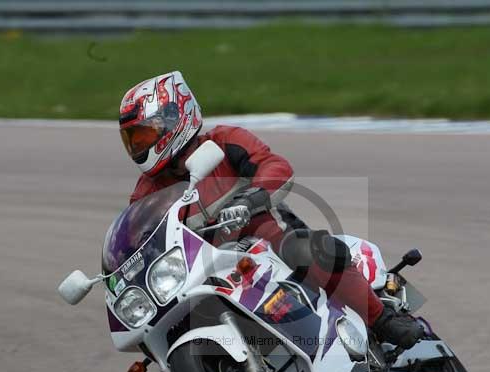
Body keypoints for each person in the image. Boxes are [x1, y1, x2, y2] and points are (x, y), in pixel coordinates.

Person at [119, 71, 421, 349]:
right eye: (133, 141)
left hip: (271, 238)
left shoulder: (225, 141)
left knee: (307, 249)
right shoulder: (147, 191)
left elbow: (275, 166)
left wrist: (250, 200)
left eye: (144, 136)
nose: (138, 147)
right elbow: (136, 238)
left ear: (175, 118)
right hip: (210, 269)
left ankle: (382, 320)